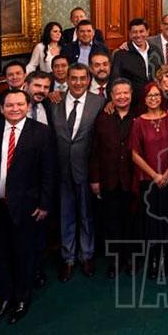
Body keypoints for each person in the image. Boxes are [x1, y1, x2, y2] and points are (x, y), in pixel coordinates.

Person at [0, 90, 56, 325]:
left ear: (27, 106)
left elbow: (49, 171)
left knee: (24, 253)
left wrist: (44, 203)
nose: (15, 109)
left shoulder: (41, 132)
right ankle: (5, 297)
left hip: (27, 205)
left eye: (20, 104)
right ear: (1, 108)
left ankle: (22, 299)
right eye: (10, 105)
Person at [51, 63, 105, 281]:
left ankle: (87, 255)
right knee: (65, 215)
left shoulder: (99, 102)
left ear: (89, 80)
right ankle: (68, 258)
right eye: (73, 78)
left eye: (83, 78)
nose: (78, 82)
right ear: (67, 79)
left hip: (86, 169)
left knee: (86, 215)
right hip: (61, 170)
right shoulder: (54, 101)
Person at [89, 79, 137, 278]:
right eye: (118, 93)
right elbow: (95, 150)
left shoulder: (139, 116)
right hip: (109, 179)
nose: (122, 97)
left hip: (132, 179)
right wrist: (95, 179)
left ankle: (131, 258)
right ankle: (115, 261)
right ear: (111, 96)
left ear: (131, 94)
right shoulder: (103, 117)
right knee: (111, 222)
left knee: (132, 221)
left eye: (126, 93)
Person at [130, 82, 168, 279]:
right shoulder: (138, 122)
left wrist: (167, 173)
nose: (154, 98)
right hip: (148, 180)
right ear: (144, 99)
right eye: (150, 96)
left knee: (167, 219)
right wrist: (155, 175)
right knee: (151, 221)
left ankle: (167, 258)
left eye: (157, 95)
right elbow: (134, 154)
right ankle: (153, 260)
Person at [111, 18, 164, 106]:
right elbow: (114, 79)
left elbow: (162, 72)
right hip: (132, 102)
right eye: (134, 32)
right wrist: (111, 100)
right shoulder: (121, 54)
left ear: (147, 32)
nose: (138, 35)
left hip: (155, 100)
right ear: (130, 34)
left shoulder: (156, 50)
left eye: (141, 31)